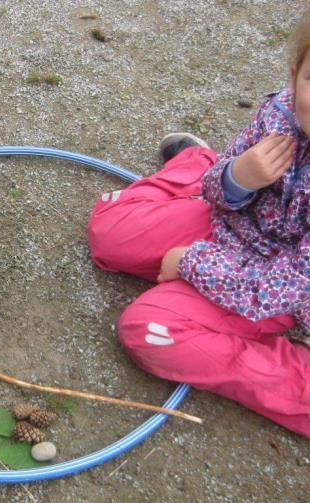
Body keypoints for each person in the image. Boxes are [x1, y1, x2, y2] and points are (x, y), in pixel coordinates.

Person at [87, 10, 310, 437]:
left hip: (274, 289)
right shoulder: (280, 115)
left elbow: (267, 291)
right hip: (229, 225)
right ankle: (194, 161)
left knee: (150, 331)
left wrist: (191, 262)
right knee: (108, 232)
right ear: (296, 74)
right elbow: (219, 188)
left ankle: (294, 382)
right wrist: (236, 177)